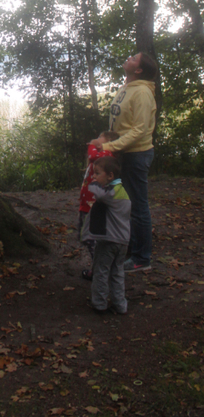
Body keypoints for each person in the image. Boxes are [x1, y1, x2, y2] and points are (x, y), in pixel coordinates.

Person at [93, 52, 157, 272]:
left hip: (136, 154)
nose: (129, 58)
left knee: (138, 207)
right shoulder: (127, 88)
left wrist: (110, 147)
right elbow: (119, 123)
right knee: (125, 203)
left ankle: (142, 258)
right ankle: (132, 247)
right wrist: (106, 140)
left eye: (134, 59)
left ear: (138, 70)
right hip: (123, 153)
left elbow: (139, 131)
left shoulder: (143, 93)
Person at [82, 155, 131, 314]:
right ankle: (120, 305)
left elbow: (100, 194)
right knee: (117, 273)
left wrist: (93, 184)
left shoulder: (111, 192)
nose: (94, 177)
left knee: (101, 271)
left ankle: (99, 304)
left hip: (109, 240)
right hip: (123, 240)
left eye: (97, 173)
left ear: (110, 175)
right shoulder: (122, 191)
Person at [78, 130, 120, 281]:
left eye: (100, 137)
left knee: (91, 238)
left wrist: (92, 144)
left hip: (93, 206)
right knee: (85, 235)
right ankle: (99, 268)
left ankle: (101, 271)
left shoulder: (106, 156)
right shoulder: (102, 156)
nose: (96, 139)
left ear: (108, 142)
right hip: (87, 203)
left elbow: (92, 156)